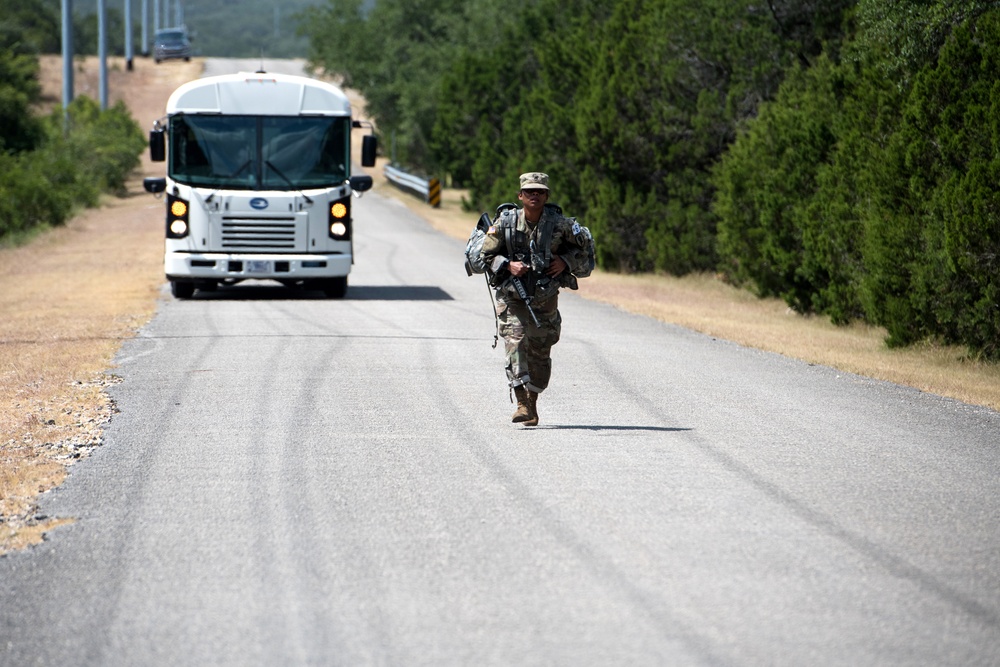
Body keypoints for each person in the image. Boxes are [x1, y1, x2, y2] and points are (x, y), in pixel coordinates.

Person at [479, 172, 593, 426]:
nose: (534, 195)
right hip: (512, 295)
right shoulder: (505, 223)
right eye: (529, 191)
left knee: (541, 350)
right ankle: (521, 403)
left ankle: (532, 402)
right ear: (520, 196)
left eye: (539, 191)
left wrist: (565, 261)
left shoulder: (561, 225)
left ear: (546, 196)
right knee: (515, 340)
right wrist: (508, 265)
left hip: (545, 296)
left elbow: (585, 250)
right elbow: (484, 256)